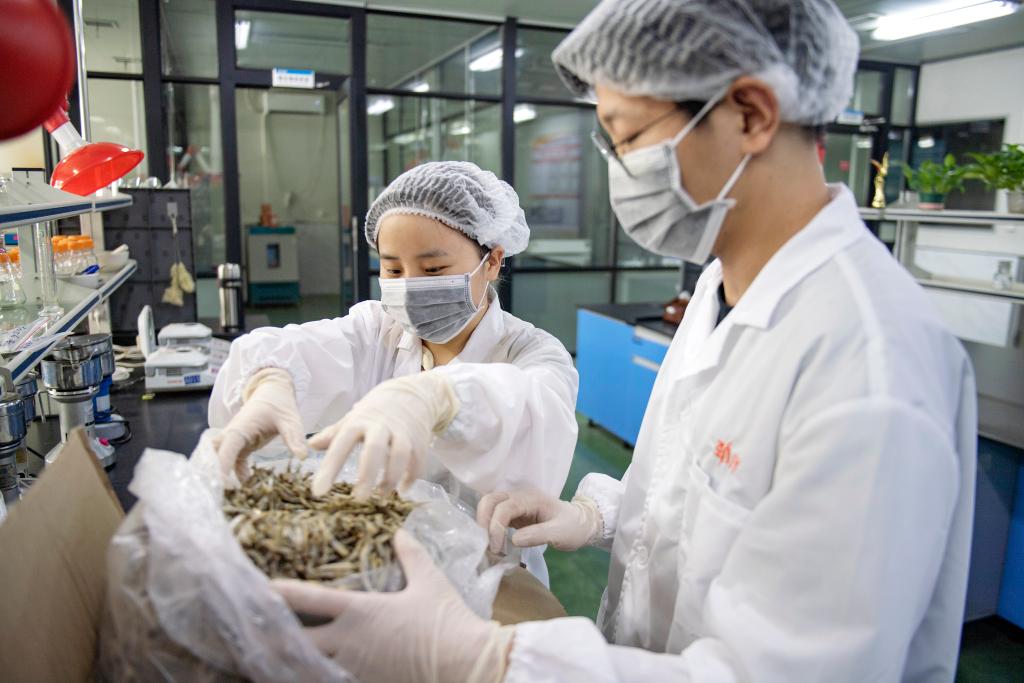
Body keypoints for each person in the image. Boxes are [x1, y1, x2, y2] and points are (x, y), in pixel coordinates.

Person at [271, 1, 978, 682]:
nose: (618, 169)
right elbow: (689, 492)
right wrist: (594, 515)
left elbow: (790, 669)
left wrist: (482, 660)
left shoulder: (868, 364)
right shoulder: (723, 289)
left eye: (630, 135)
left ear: (751, 114)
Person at [209, 161, 579, 583]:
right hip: (378, 567)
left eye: (433, 269)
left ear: (493, 261)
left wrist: (438, 399)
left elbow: (533, 409)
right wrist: (270, 380)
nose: (411, 285)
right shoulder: (378, 330)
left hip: (491, 580)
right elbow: (296, 347)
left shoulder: (533, 353)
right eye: (393, 270)